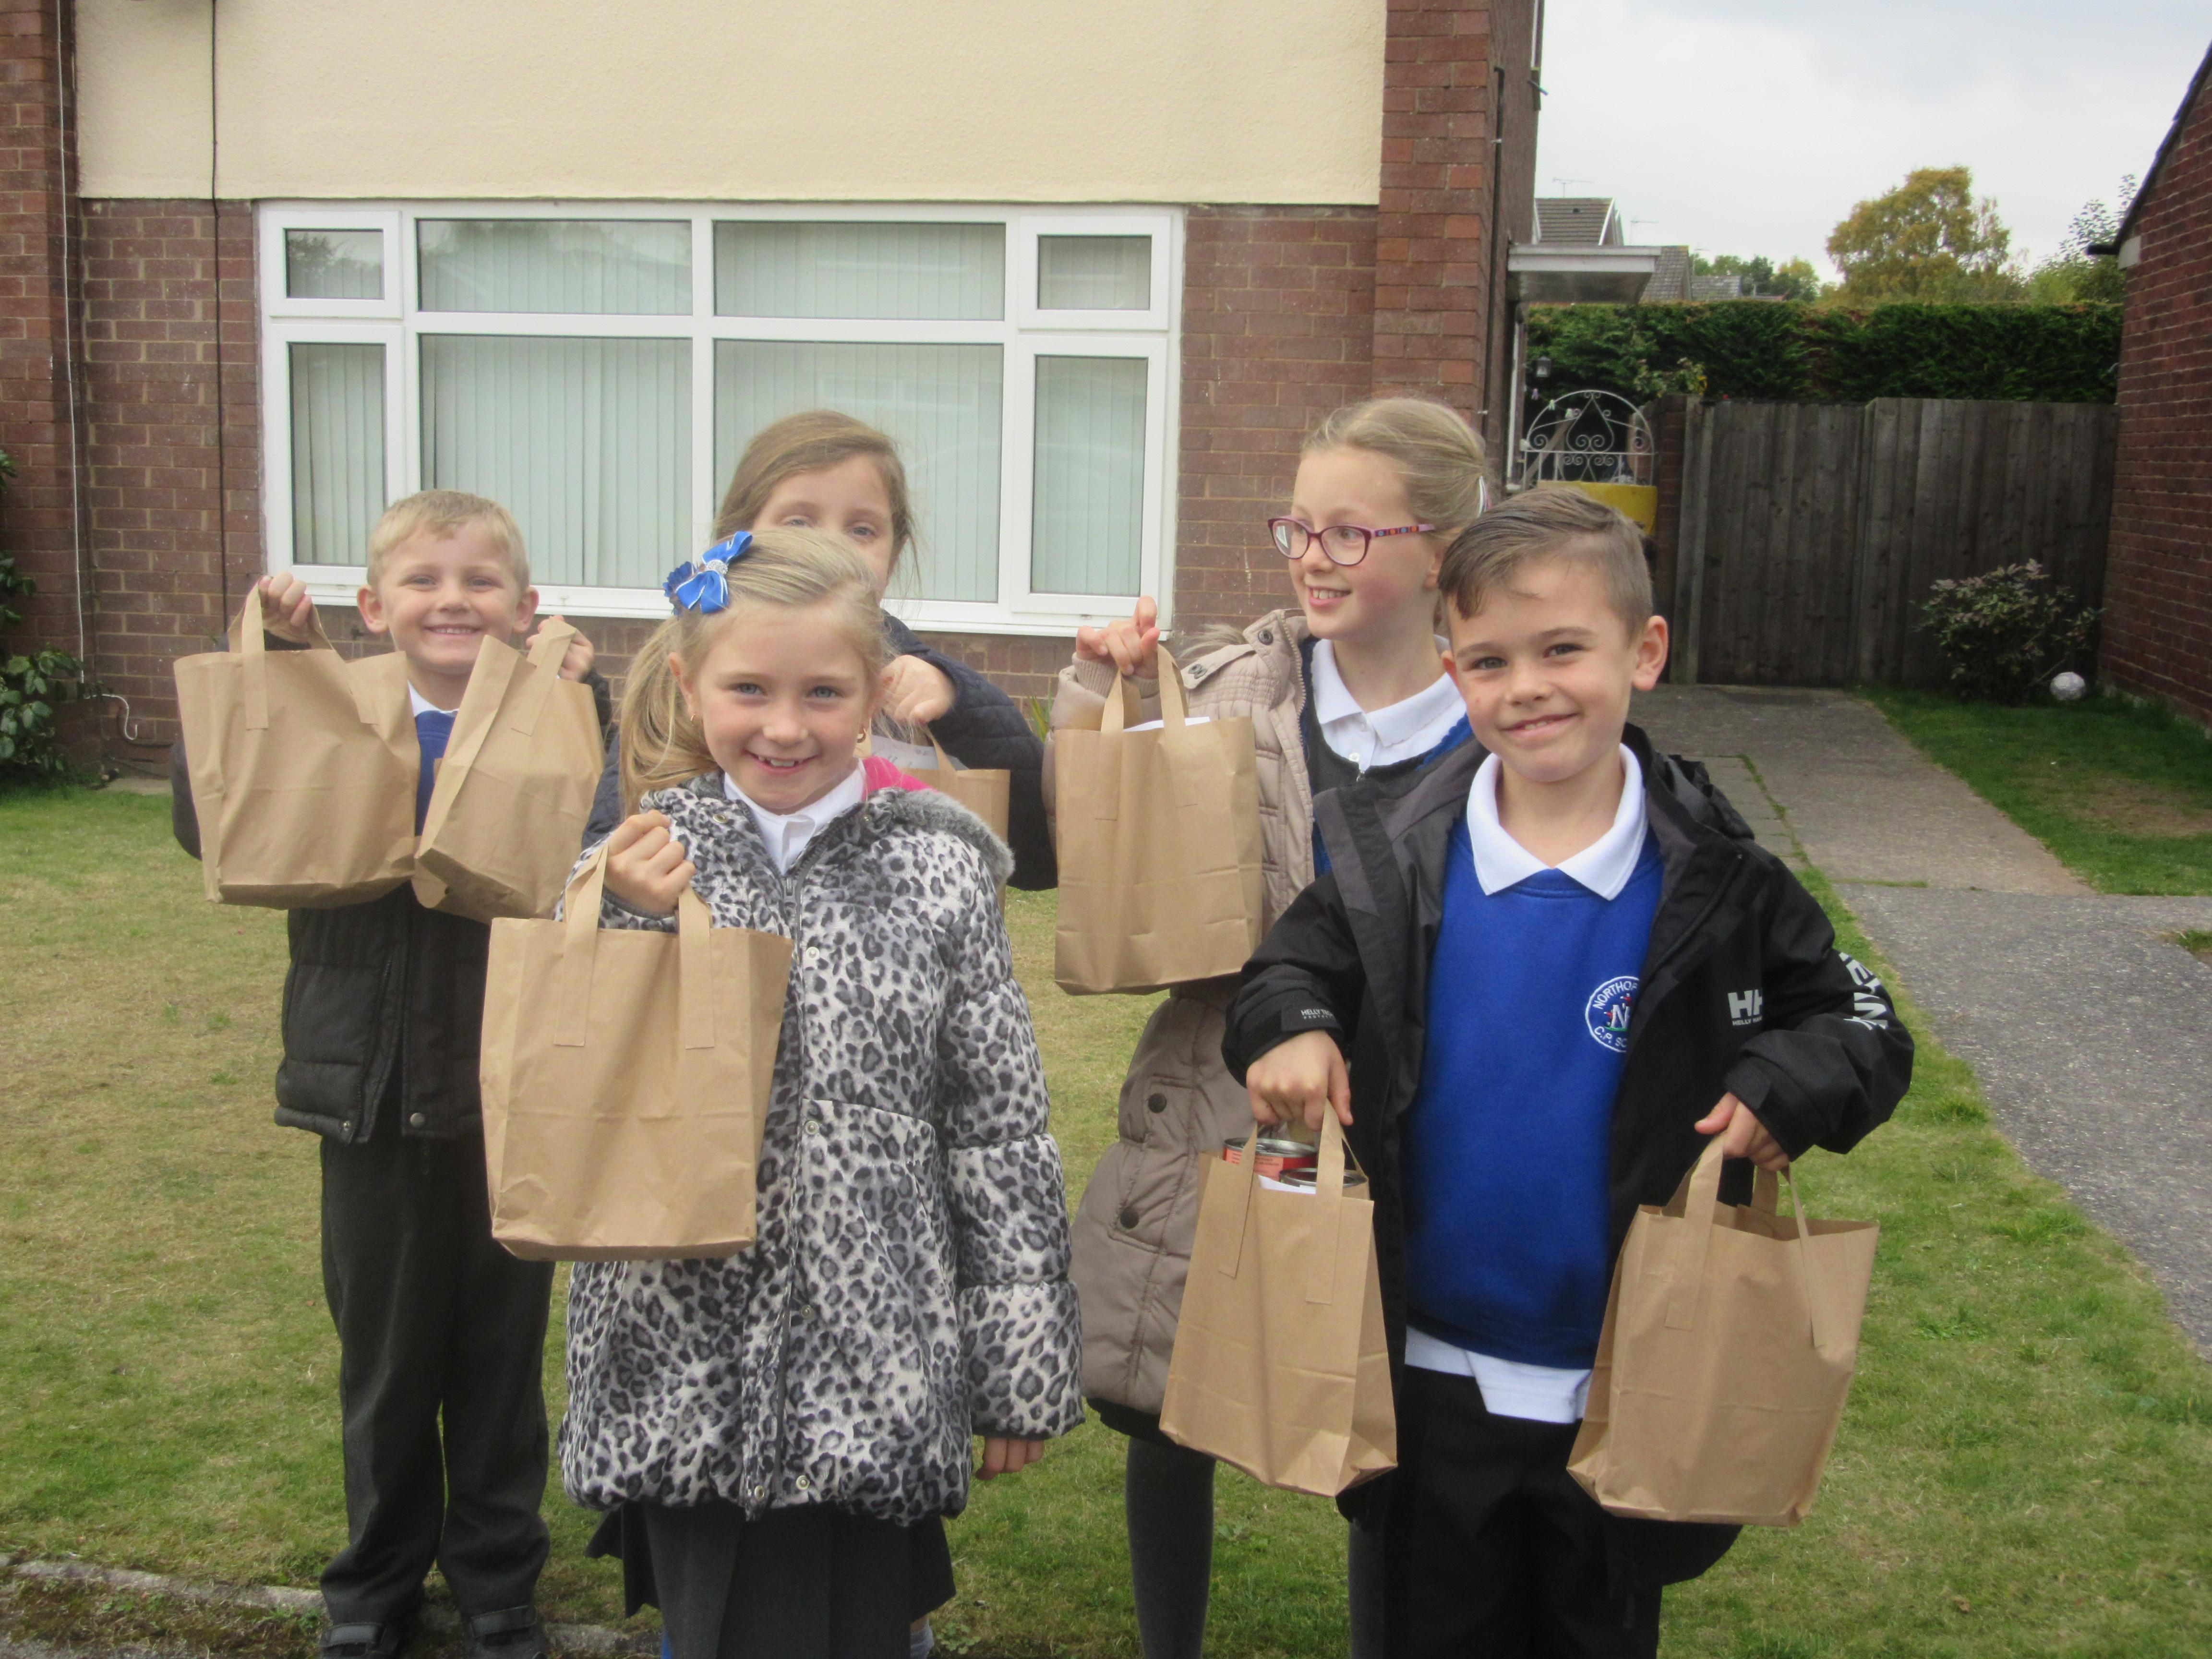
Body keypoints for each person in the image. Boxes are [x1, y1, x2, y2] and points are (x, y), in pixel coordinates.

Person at [1226, 487, 1916, 1658]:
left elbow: (1858, 1018)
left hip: (1625, 1372)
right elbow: (1284, 968)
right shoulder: (1390, 856)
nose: (1528, 687)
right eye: (1491, 660)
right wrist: (1293, 1023)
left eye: (1562, 650)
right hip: (1423, 1371)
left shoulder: (1722, 876)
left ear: (1642, 652)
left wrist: (1785, 1084)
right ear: (1453, 671)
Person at [563, 528, 1082, 1659]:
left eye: (823, 692)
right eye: (749, 689)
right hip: (680, 1357)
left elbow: (997, 1129)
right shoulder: (648, 855)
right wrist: (623, 919)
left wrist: (1016, 1364)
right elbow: (574, 1074)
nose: (786, 726)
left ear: (874, 695)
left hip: (877, 1359)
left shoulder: (939, 867)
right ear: (688, 685)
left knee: (864, 1628)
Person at [1050, 397, 1490, 1659]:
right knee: (1171, 1401)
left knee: (1384, 1418)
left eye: (1352, 533)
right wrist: (1096, 691)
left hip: (1415, 1113)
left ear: (1443, 550)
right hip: (1220, 1091)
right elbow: (1095, 850)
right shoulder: (1230, 689)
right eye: (1299, 526)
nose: (1312, 557)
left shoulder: (1496, 717)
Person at [170, 491, 608, 1659]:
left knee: (500, 1366)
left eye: (478, 581)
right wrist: (273, 672)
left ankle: (500, 1580)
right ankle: (372, 1581)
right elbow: (208, 821)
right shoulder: (333, 712)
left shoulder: (558, 715)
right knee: (384, 1362)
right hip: (362, 1095)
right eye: (423, 580)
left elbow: (603, 835)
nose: (450, 600)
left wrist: (582, 699)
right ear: (373, 607)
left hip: (506, 1091)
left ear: (522, 606)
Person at [586, 409, 1053, 890]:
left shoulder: (927, 685)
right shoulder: (671, 683)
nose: (834, 546)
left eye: (862, 530)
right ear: (736, 537)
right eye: (799, 522)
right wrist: (627, 893)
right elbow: (610, 842)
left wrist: (958, 702)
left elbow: (1040, 859)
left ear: (895, 554)